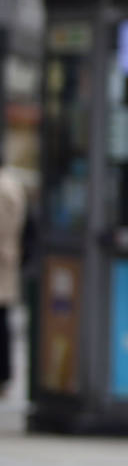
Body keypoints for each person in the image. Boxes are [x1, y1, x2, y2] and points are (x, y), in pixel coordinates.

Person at [0, 164, 26, 400]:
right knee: (4, 319)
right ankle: (5, 377)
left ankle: (4, 378)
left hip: (2, 260)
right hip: (8, 260)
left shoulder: (2, 188)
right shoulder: (12, 184)